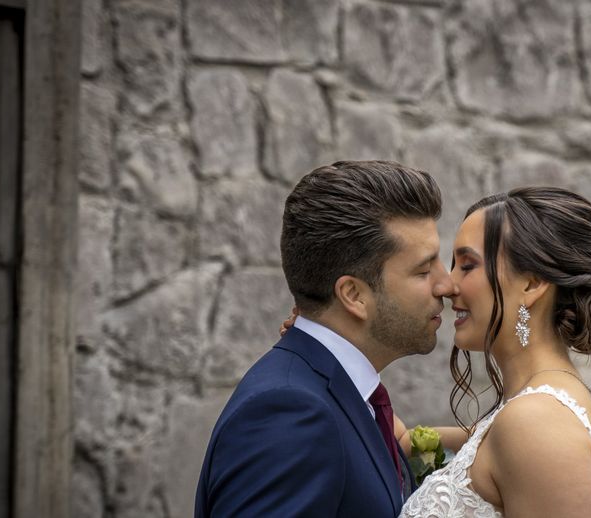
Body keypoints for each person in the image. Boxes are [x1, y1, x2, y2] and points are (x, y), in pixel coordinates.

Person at [195, 161, 465, 517]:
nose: (446, 285)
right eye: (423, 270)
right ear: (353, 295)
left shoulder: (344, 396)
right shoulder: (290, 414)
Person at [399, 187, 591, 518]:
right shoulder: (530, 410)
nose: (449, 286)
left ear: (531, 284)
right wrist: (409, 437)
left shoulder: (534, 423)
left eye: (467, 265)